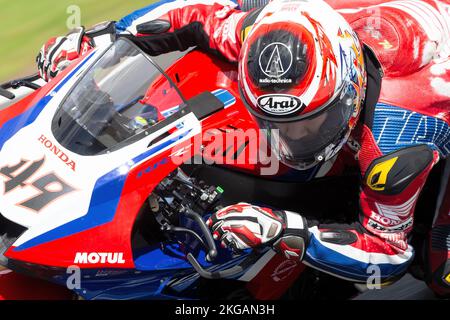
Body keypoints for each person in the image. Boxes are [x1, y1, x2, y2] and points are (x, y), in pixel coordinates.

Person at [36, 0, 450, 297]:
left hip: (435, 72)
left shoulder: (400, 138)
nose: (295, 139)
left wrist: (286, 229)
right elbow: (196, 14)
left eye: (313, 123)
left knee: (440, 271)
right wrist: (103, 37)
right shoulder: (266, 32)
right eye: (280, 124)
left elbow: (389, 254)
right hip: (376, 22)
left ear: (349, 93)